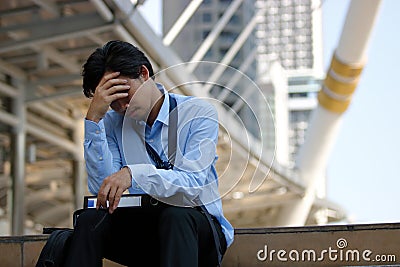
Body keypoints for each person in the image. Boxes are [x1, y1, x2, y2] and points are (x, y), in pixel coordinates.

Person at [64, 40, 234, 267]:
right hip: (143, 231)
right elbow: (101, 188)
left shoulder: (197, 114)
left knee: (176, 216)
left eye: (125, 93)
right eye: (112, 102)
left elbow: (192, 185)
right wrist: (94, 120)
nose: (122, 106)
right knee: (89, 220)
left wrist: (133, 174)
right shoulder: (113, 123)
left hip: (197, 231)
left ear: (143, 74)